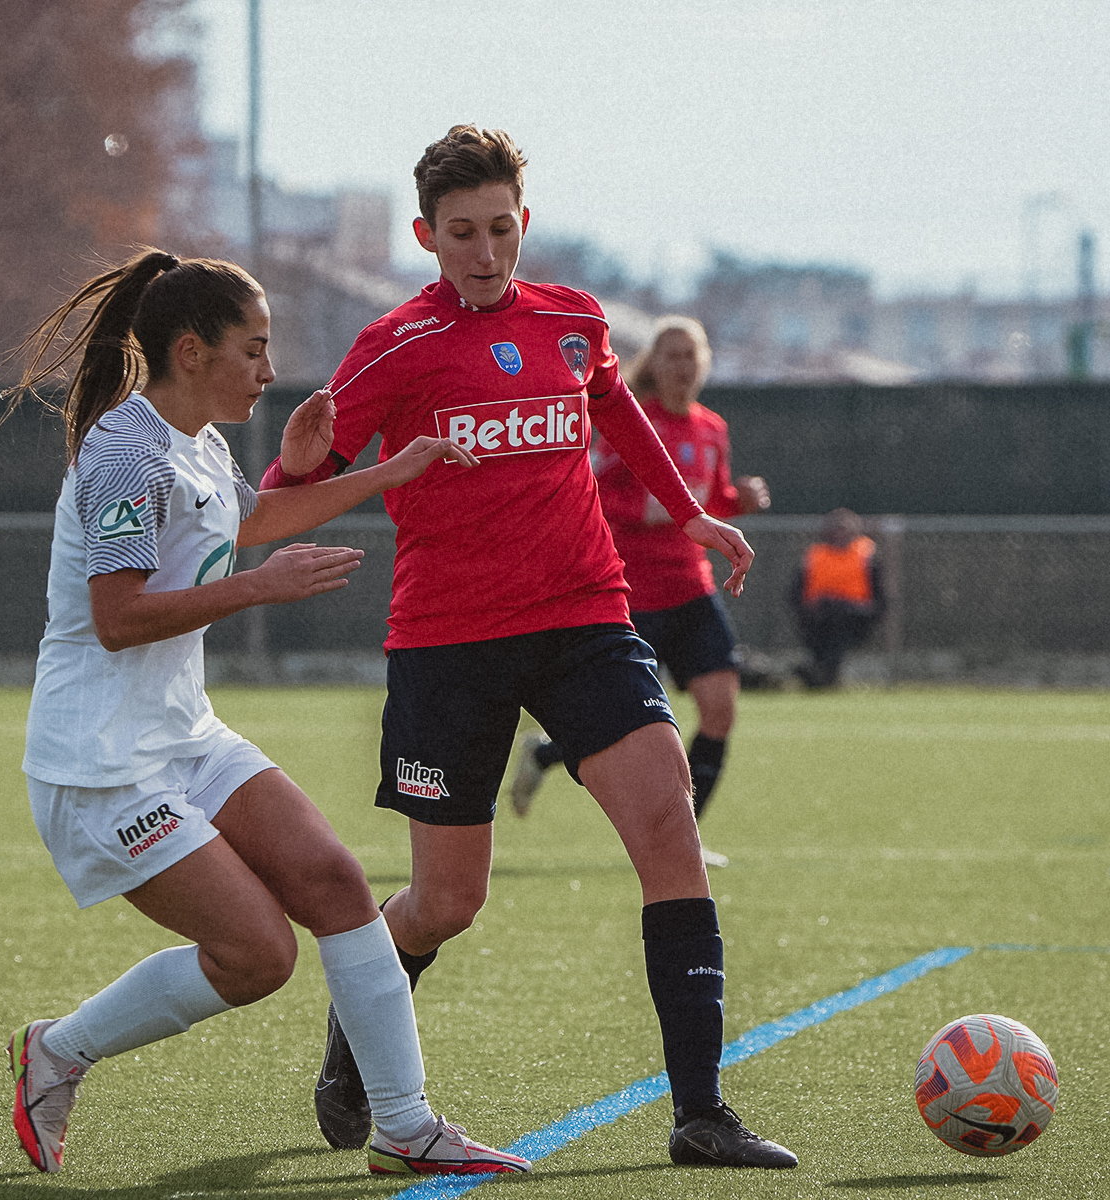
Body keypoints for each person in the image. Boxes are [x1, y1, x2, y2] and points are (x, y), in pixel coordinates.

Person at [262, 126, 797, 1171]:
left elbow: (617, 407)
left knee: (670, 829)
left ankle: (701, 1113)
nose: (485, 250)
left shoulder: (572, 319)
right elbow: (297, 490)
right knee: (447, 904)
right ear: (425, 235)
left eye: (500, 228)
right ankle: (357, 1029)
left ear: (524, 222)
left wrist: (691, 512)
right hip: (448, 643)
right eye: (461, 232)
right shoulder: (393, 346)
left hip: (585, 620)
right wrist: (291, 471)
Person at [1, 249, 528, 1178]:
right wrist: (259, 589)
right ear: (191, 351)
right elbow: (118, 619)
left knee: (337, 884)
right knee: (257, 956)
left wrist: (389, 470)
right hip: (102, 763)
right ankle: (59, 1050)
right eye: (253, 348)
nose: (269, 369)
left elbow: (250, 523)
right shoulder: (124, 452)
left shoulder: (198, 442)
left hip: (183, 734)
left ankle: (406, 1128)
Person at [507, 316, 770, 844]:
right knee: (621, 721)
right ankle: (545, 754)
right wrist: (647, 509)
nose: (682, 365)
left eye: (690, 355)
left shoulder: (712, 428)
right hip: (632, 592)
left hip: (692, 588)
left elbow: (706, 503)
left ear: (704, 364)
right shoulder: (633, 420)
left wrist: (737, 501)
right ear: (654, 363)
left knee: (720, 710)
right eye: (671, 355)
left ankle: (684, 842)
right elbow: (593, 490)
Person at [789, 507, 886, 688]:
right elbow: (796, 592)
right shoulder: (815, 555)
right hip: (819, 615)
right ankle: (818, 671)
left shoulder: (866, 554)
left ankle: (825, 672)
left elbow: (879, 596)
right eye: (836, 529)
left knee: (838, 621)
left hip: (854, 616)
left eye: (845, 530)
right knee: (825, 620)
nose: (840, 535)